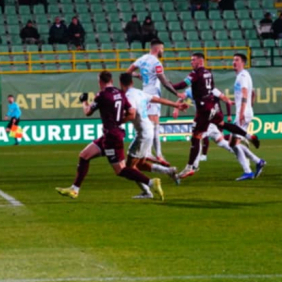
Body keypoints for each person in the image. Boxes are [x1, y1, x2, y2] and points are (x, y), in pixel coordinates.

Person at [55, 71, 165, 201]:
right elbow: (131, 112)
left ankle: (151, 182)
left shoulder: (102, 95)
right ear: (111, 81)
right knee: (84, 155)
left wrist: (84, 101)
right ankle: (74, 189)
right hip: (112, 134)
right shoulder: (120, 93)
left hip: (111, 137)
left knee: (121, 170)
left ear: (100, 81)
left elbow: (88, 112)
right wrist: (118, 121)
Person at [173, 52, 255, 179]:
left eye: (193, 60)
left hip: (205, 112)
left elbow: (182, 85)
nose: (191, 62)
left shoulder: (195, 74)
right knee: (222, 138)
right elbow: (221, 96)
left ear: (200, 61)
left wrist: (168, 85)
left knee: (197, 137)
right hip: (211, 111)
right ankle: (249, 140)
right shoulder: (207, 77)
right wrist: (176, 106)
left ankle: (192, 166)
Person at [120, 72, 187, 183]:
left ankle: (149, 188)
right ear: (132, 82)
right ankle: (169, 171)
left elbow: (131, 114)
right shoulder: (139, 93)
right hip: (149, 130)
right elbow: (158, 100)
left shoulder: (128, 96)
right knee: (140, 165)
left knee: (129, 168)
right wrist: (176, 105)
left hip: (143, 134)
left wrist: (117, 122)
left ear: (121, 83)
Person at [125, 39, 180, 166]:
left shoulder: (142, 58)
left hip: (146, 92)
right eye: (162, 49)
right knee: (153, 126)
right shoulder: (156, 63)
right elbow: (165, 82)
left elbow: (128, 72)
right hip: (152, 95)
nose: (163, 52)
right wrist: (176, 93)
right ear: (157, 49)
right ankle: (152, 153)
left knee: (154, 125)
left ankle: (156, 154)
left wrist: (138, 75)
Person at [229, 53, 266, 180]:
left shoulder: (242, 76)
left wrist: (242, 111)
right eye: (233, 60)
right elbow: (252, 93)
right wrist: (247, 106)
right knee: (232, 143)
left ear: (243, 63)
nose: (234, 62)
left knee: (234, 144)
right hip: (245, 111)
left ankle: (248, 171)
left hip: (243, 113)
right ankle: (258, 161)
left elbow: (245, 93)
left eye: (237, 60)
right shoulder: (244, 75)